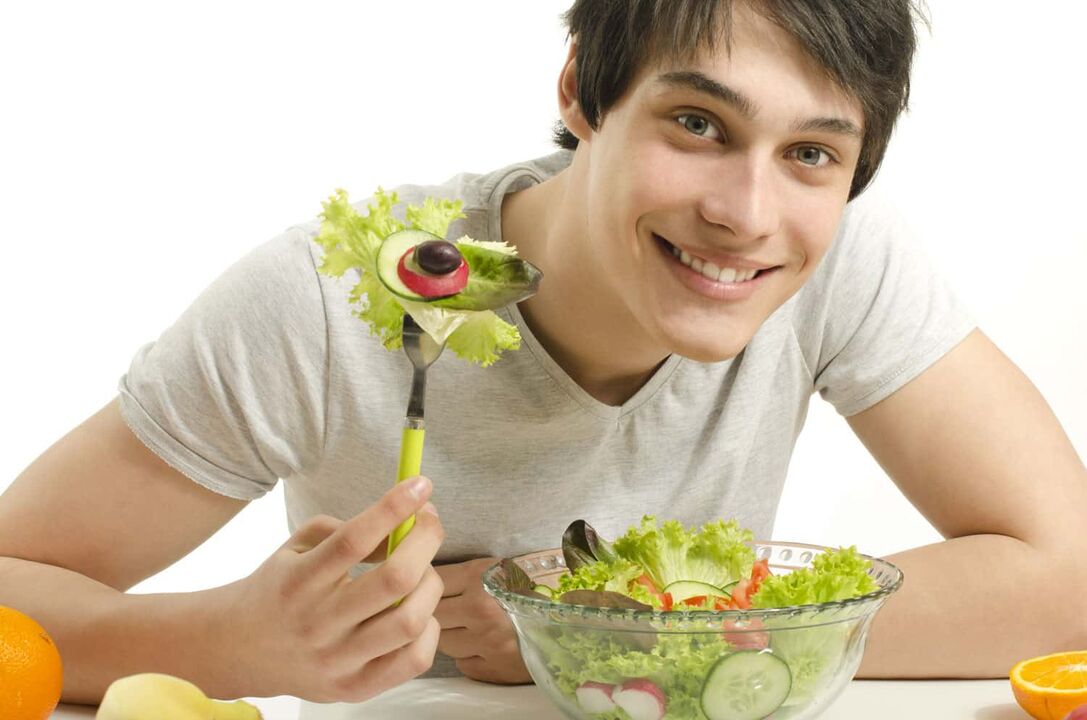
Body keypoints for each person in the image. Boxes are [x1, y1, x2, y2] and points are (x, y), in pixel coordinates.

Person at [2, 0, 1086, 706]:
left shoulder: (842, 261)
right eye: (697, 124)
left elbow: (1067, 578)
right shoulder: (332, 299)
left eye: (810, 153)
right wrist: (223, 641)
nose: (748, 214)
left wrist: (629, 639)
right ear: (579, 90)